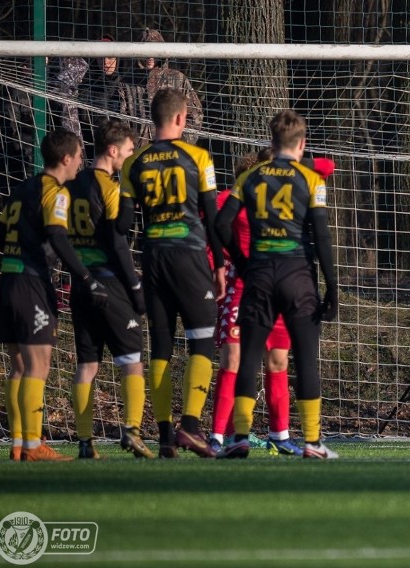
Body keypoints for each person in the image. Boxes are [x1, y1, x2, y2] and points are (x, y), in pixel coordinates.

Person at [214, 109, 339, 460]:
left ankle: (239, 436)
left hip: (260, 274)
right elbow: (322, 236)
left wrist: (243, 262)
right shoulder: (311, 179)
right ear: (302, 144)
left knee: (251, 356)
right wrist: (332, 287)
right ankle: (312, 442)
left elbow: (221, 225)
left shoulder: (249, 178)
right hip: (297, 275)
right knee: (304, 358)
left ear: (271, 142)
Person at [119, 88, 226, 459]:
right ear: (181, 118)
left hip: (153, 260)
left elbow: (124, 224)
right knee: (201, 339)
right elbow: (212, 218)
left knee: (161, 345)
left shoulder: (133, 164)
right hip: (190, 258)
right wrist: (221, 265)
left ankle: (165, 436)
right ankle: (191, 429)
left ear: (153, 118)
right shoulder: (198, 157)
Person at [0, 128, 107, 461]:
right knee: (38, 366)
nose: (81, 163)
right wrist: (85, 276)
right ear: (66, 158)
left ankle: (18, 445)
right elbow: (58, 236)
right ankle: (33, 444)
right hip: (31, 284)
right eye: (79, 156)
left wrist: (19, 251)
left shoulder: (20, 189)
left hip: (8, 280)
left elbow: (0, 231)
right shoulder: (56, 192)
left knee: (18, 367)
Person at [63, 119, 153, 459]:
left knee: (87, 365)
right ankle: (131, 430)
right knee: (131, 361)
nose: (130, 158)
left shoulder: (70, 186)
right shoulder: (110, 188)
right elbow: (118, 244)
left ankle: (85, 443)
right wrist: (135, 286)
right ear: (113, 151)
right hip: (111, 284)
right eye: (129, 152)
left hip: (80, 284)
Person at [136, 27, 203, 145]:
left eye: (154, 51)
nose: (150, 57)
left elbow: (195, 116)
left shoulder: (177, 79)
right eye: (145, 51)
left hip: (172, 153)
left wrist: (180, 144)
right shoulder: (127, 82)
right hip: (137, 156)